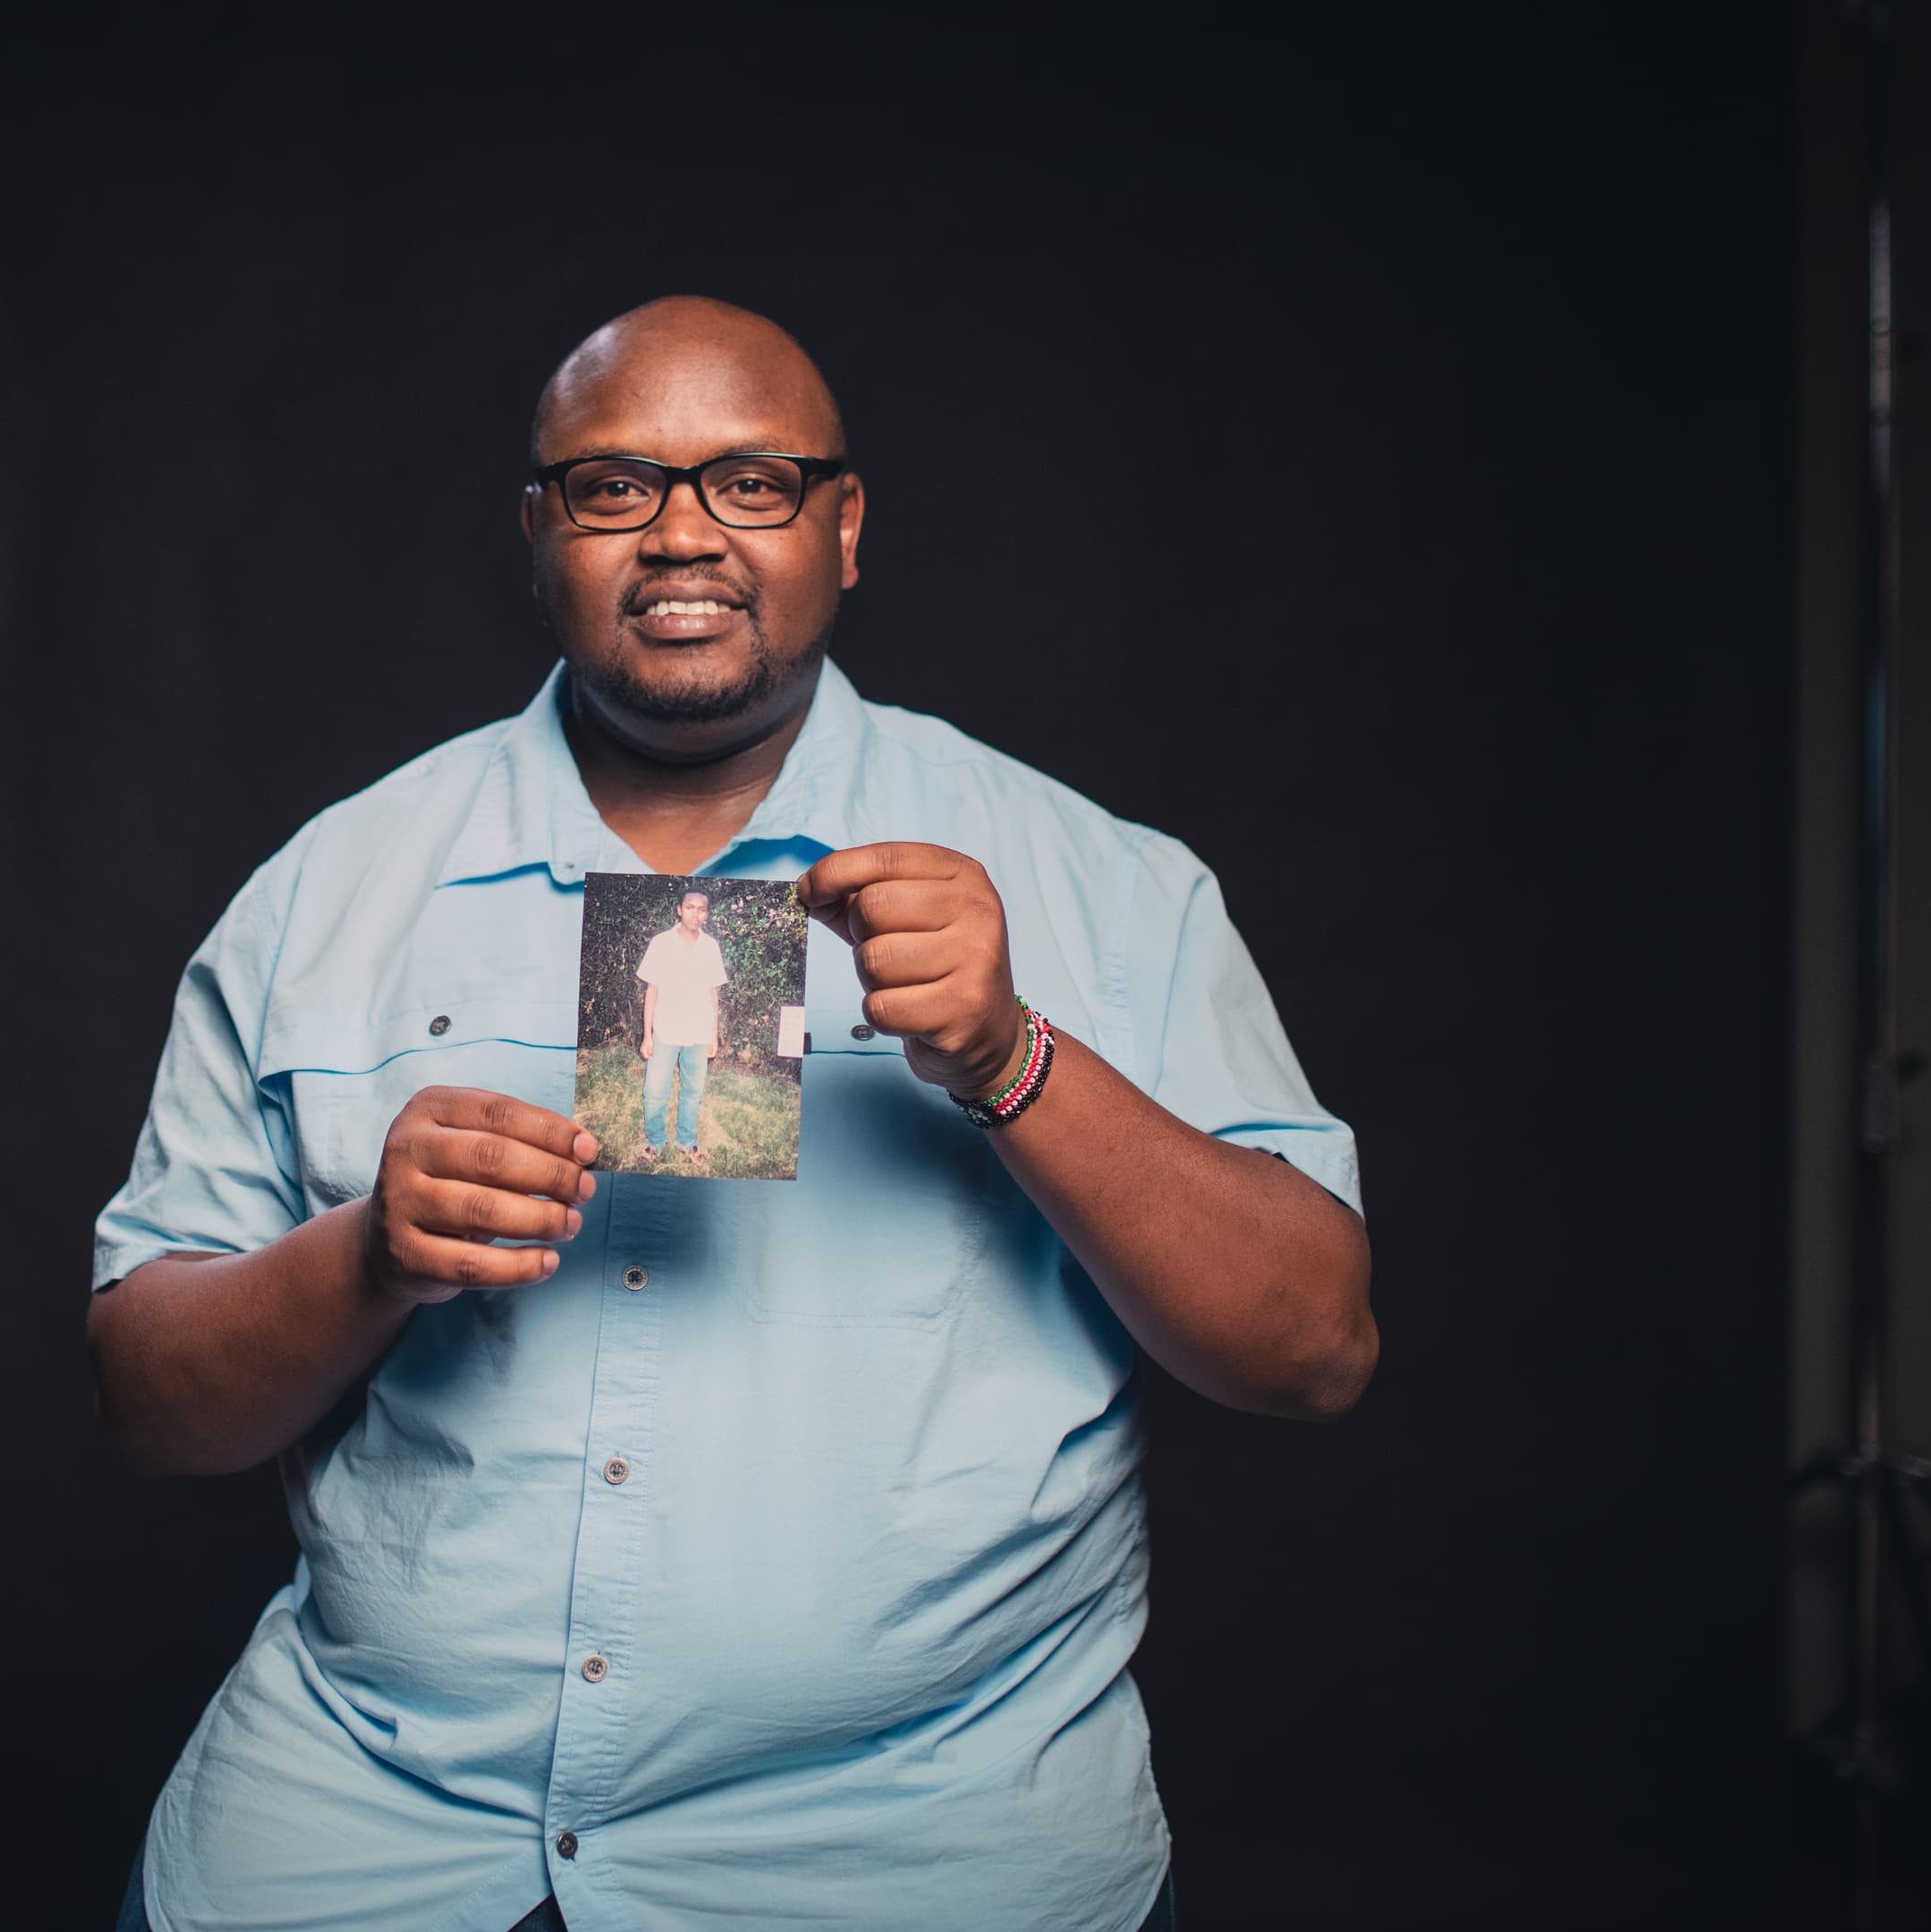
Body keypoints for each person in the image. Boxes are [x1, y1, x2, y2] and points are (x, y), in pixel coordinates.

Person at [89, 296, 1376, 1932]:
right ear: (541, 533)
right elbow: (147, 1403)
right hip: (368, 1843)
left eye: (752, 482)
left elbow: (1315, 1349)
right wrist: (369, 1259)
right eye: (616, 484)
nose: (684, 532)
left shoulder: (1103, 886)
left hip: (915, 1863)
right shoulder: (331, 891)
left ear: (845, 530)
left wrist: (1012, 1059)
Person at [633, 889, 725, 1165]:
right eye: (690, 907)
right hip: (666, 1029)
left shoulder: (710, 946)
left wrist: (713, 1034)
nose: (696, 914)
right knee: (654, 1091)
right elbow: (652, 990)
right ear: (679, 910)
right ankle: (654, 1142)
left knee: (692, 1091)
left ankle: (687, 1142)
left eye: (702, 909)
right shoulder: (661, 943)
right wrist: (647, 1035)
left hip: (698, 1031)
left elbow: (713, 993)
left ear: (707, 913)